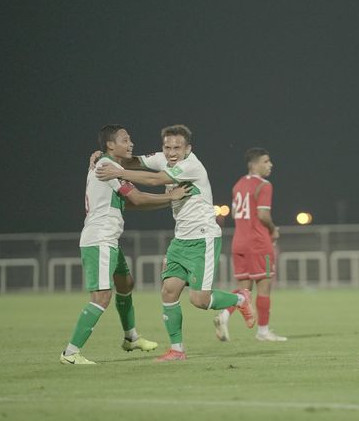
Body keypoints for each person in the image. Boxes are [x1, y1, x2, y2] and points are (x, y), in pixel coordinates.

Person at [95, 124, 255, 362]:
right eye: (167, 147)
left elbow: (156, 179)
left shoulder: (192, 166)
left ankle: (240, 298)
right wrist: (104, 157)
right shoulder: (162, 158)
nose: (171, 152)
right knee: (169, 291)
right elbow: (131, 162)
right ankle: (177, 350)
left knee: (199, 300)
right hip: (180, 240)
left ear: (188, 148)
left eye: (177, 147)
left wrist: (117, 173)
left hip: (203, 238)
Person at [61, 124, 189, 365]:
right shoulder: (107, 167)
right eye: (125, 139)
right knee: (101, 297)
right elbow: (138, 198)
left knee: (126, 283)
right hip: (99, 238)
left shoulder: (108, 165)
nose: (131, 143)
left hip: (108, 238)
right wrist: (171, 197)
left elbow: (129, 203)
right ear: (110, 145)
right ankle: (70, 353)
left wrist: (167, 201)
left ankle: (130, 337)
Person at [213, 148, 286, 342]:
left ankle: (224, 316)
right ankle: (263, 332)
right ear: (253, 165)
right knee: (264, 287)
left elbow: (237, 213)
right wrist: (273, 230)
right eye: (266, 161)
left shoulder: (238, 185)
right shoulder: (264, 185)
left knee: (244, 291)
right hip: (259, 243)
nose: (270, 165)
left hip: (239, 242)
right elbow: (263, 214)